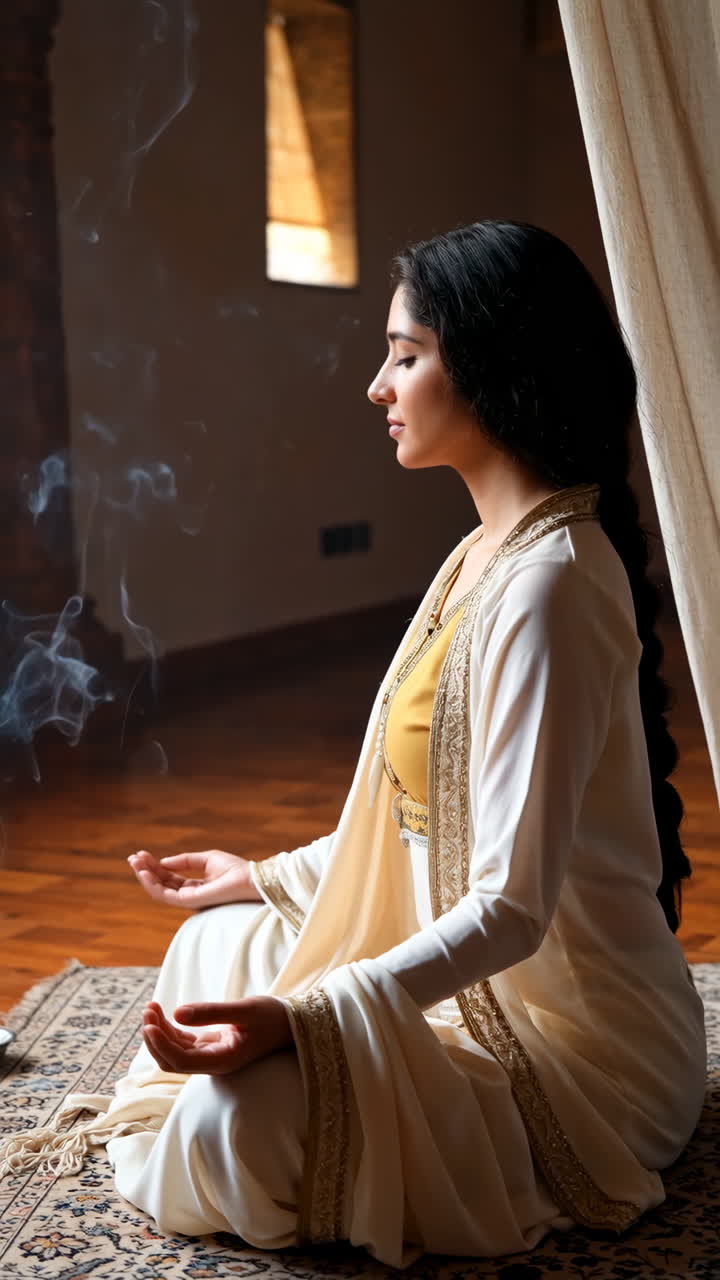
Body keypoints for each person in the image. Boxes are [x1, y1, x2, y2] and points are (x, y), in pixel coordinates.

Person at [2, 221, 706, 1268]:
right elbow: (427, 827)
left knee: (231, 1123)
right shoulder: (485, 553)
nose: (379, 386)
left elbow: (508, 908)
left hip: (576, 1048)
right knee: (212, 945)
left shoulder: (550, 585)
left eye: (406, 355)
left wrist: (308, 1020)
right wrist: (263, 874)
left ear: (494, 363)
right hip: (478, 978)